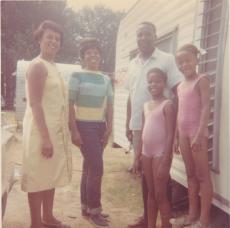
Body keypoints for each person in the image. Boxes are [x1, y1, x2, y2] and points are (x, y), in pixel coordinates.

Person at [125, 21, 183, 228]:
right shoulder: (132, 63)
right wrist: (128, 123)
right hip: (140, 123)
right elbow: (131, 96)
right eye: (139, 35)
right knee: (146, 179)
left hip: (162, 124)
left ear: (155, 36)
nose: (143, 38)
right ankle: (147, 219)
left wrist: (176, 130)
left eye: (147, 34)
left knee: (161, 181)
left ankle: (165, 219)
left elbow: (178, 90)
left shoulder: (167, 59)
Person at [21, 20, 72, 228]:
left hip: (54, 130)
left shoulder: (53, 66)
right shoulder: (37, 66)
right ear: (39, 39)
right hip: (40, 131)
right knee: (36, 177)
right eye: (49, 37)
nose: (53, 41)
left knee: (49, 175)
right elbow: (35, 103)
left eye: (57, 38)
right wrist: (45, 138)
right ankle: (36, 223)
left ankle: (48, 217)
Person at [68, 38, 113, 227]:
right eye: (89, 52)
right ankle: (95, 211)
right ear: (83, 56)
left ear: (100, 56)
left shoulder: (105, 78)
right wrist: (74, 130)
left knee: (89, 166)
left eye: (96, 52)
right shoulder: (76, 75)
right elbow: (69, 104)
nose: (93, 55)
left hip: (100, 126)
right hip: (84, 126)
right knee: (97, 167)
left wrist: (109, 127)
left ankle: (86, 207)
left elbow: (110, 104)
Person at [170, 44, 213, 228]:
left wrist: (199, 133)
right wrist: (175, 138)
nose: (184, 64)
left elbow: (205, 108)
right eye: (180, 62)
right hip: (183, 134)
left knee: (203, 176)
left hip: (197, 134)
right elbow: (179, 112)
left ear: (196, 59)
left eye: (187, 60)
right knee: (190, 175)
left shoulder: (202, 80)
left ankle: (203, 221)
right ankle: (191, 215)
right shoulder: (179, 86)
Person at [137, 68, 175, 228]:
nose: (153, 84)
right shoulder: (145, 105)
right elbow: (142, 131)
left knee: (160, 194)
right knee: (151, 193)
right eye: (150, 81)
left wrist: (167, 159)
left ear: (164, 83)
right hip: (146, 153)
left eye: (157, 81)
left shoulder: (168, 104)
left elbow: (170, 135)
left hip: (161, 154)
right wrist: (137, 155)